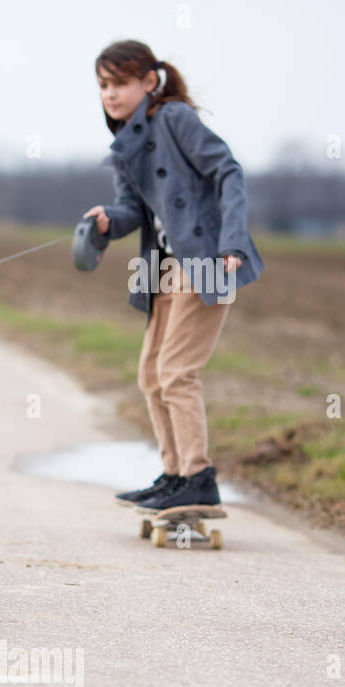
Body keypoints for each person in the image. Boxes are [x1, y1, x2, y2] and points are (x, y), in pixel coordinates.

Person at [83, 39, 264, 511]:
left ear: (149, 82)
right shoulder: (124, 143)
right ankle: (174, 475)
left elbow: (229, 172)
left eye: (120, 83)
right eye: (103, 85)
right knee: (150, 375)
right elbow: (133, 212)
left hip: (208, 259)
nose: (111, 94)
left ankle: (199, 477)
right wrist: (108, 220)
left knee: (177, 373)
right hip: (161, 268)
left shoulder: (175, 118)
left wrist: (234, 243)